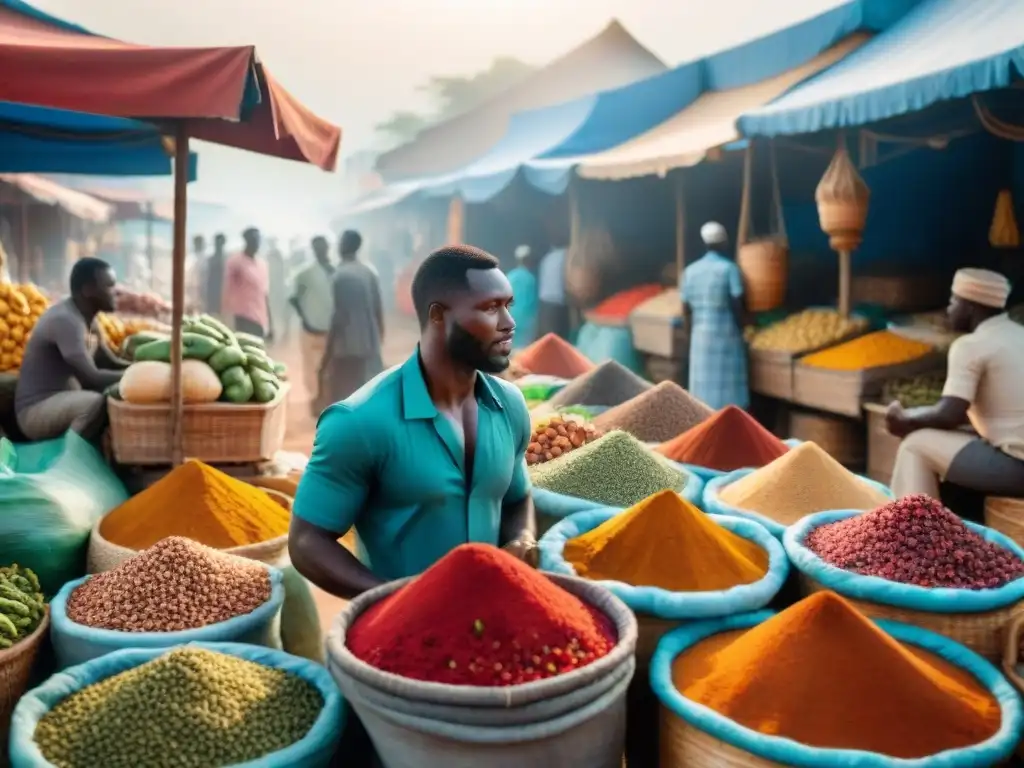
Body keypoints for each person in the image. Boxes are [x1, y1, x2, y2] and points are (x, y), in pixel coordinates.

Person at [290, 244, 538, 600]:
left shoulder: (510, 405)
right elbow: (307, 542)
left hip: (491, 623)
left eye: (508, 306)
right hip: (397, 642)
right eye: (489, 308)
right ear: (438, 315)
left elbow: (517, 497)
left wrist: (522, 540)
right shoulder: (359, 422)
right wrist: (397, 602)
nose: (509, 324)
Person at [887, 268, 1024, 499]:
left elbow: (948, 414)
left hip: (1017, 466)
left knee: (915, 445)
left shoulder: (971, 345)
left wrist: (903, 419)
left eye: (953, 302)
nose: (948, 310)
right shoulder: (1018, 333)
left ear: (970, 307)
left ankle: (914, 531)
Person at [15, 258, 122, 442]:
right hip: (36, 412)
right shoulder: (66, 320)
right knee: (94, 403)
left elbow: (109, 361)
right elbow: (93, 376)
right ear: (88, 290)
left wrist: (145, 366)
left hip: (63, 401)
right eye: (109, 286)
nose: (117, 292)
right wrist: (133, 375)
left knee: (105, 398)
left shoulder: (89, 319)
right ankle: (68, 460)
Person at [682, 222, 749, 411]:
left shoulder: (690, 271)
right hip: (726, 335)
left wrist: (689, 334)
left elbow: (685, 308)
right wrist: (744, 326)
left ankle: (704, 421)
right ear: (724, 243)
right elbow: (737, 302)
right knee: (728, 386)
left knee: (702, 386)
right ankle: (729, 420)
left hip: (700, 337)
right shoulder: (729, 269)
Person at [318, 230, 384, 406]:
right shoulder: (369, 271)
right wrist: (378, 340)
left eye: (340, 242)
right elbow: (378, 310)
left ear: (344, 245)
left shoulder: (341, 275)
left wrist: (327, 353)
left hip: (346, 348)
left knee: (341, 395)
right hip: (368, 344)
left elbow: (338, 317)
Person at [290, 235, 335, 410]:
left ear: (328, 248)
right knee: (311, 367)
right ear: (313, 249)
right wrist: (305, 318)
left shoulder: (336, 270)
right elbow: (294, 298)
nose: (321, 250)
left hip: (332, 329)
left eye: (323, 246)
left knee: (329, 366)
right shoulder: (304, 273)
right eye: (317, 247)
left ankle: (326, 399)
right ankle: (315, 399)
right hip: (310, 329)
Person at [222, 227, 272, 340]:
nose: (256, 243)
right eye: (253, 239)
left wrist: (270, 324)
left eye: (258, 240)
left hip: (260, 319)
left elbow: (264, 294)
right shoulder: (235, 262)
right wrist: (226, 318)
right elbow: (227, 290)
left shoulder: (262, 264)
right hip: (242, 317)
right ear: (246, 240)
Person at [537, 236, 570, 340]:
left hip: (545, 302)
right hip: (559, 302)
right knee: (559, 337)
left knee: (547, 337)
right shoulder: (567, 255)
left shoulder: (547, 257)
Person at [507, 245, 538, 349]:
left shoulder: (510, 276)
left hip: (511, 316)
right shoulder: (531, 278)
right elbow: (533, 302)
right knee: (525, 349)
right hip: (527, 320)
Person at [266, 237, 289, 342]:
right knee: (273, 311)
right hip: (273, 287)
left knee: (281, 312)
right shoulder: (270, 256)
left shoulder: (276, 255)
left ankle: (285, 333)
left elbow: (282, 271)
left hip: (277, 287)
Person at [204, 233, 227, 317]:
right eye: (217, 242)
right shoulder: (210, 260)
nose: (219, 244)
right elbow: (206, 279)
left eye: (221, 242)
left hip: (224, 294)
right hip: (212, 293)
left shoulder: (227, 260)